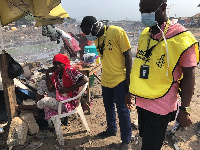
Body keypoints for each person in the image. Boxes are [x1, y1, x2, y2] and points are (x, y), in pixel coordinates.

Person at [125, 0, 199, 149]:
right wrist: (130, 91)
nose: (144, 15)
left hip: (160, 105)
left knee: (151, 146)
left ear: (164, 7)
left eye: (148, 11)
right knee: (145, 137)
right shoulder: (145, 34)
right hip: (141, 100)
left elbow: (189, 77)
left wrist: (185, 109)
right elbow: (140, 65)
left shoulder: (182, 37)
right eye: (142, 12)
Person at [80, 16, 132, 150]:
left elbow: (128, 55)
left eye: (87, 32)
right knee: (108, 107)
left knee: (122, 110)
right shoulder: (97, 38)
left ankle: (126, 140)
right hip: (106, 79)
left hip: (120, 79)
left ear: (95, 26)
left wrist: (128, 78)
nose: (87, 36)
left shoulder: (117, 32)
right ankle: (111, 129)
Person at [36, 53, 88, 120]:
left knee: (44, 101)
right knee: (43, 83)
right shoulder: (57, 73)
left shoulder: (69, 70)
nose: (57, 66)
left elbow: (84, 80)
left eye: (59, 63)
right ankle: (36, 107)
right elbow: (50, 89)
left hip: (67, 102)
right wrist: (47, 73)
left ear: (64, 63)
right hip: (60, 96)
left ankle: (33, 107)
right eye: (55, 64)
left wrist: (68, 89)